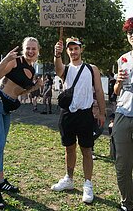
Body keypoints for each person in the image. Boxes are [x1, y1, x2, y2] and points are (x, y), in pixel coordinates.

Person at [0, 37, 42, 210]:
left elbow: (21, 92)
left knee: (1, 146)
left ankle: (0, 180)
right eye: (28, 48)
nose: (31, 51)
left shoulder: (32, 68)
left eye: (34, 49)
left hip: (6, 109)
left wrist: (35, 87)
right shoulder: (15, 61)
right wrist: (6, 59)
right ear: (24, 49)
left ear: (38, 51)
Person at [51, 37, 105, 204]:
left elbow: (99, 90)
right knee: (69, 148)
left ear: (81, 49)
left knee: (87, 150)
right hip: (68, 115)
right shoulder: (65, 69)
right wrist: (56, 54)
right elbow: (58, 68)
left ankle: (88, 184)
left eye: (76, 48)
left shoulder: (91, 68)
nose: (73, 52)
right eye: (70, 49)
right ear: (67, 51)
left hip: (85, 115)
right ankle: (69, 178)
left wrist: (102, 113)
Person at [112, 17, 133, 211]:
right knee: (123, 164)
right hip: (123, 113)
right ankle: (127, 203)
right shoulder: (123, 59)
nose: (132, 35)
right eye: (129, 33)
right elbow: (116, 91)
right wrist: (117, 81)